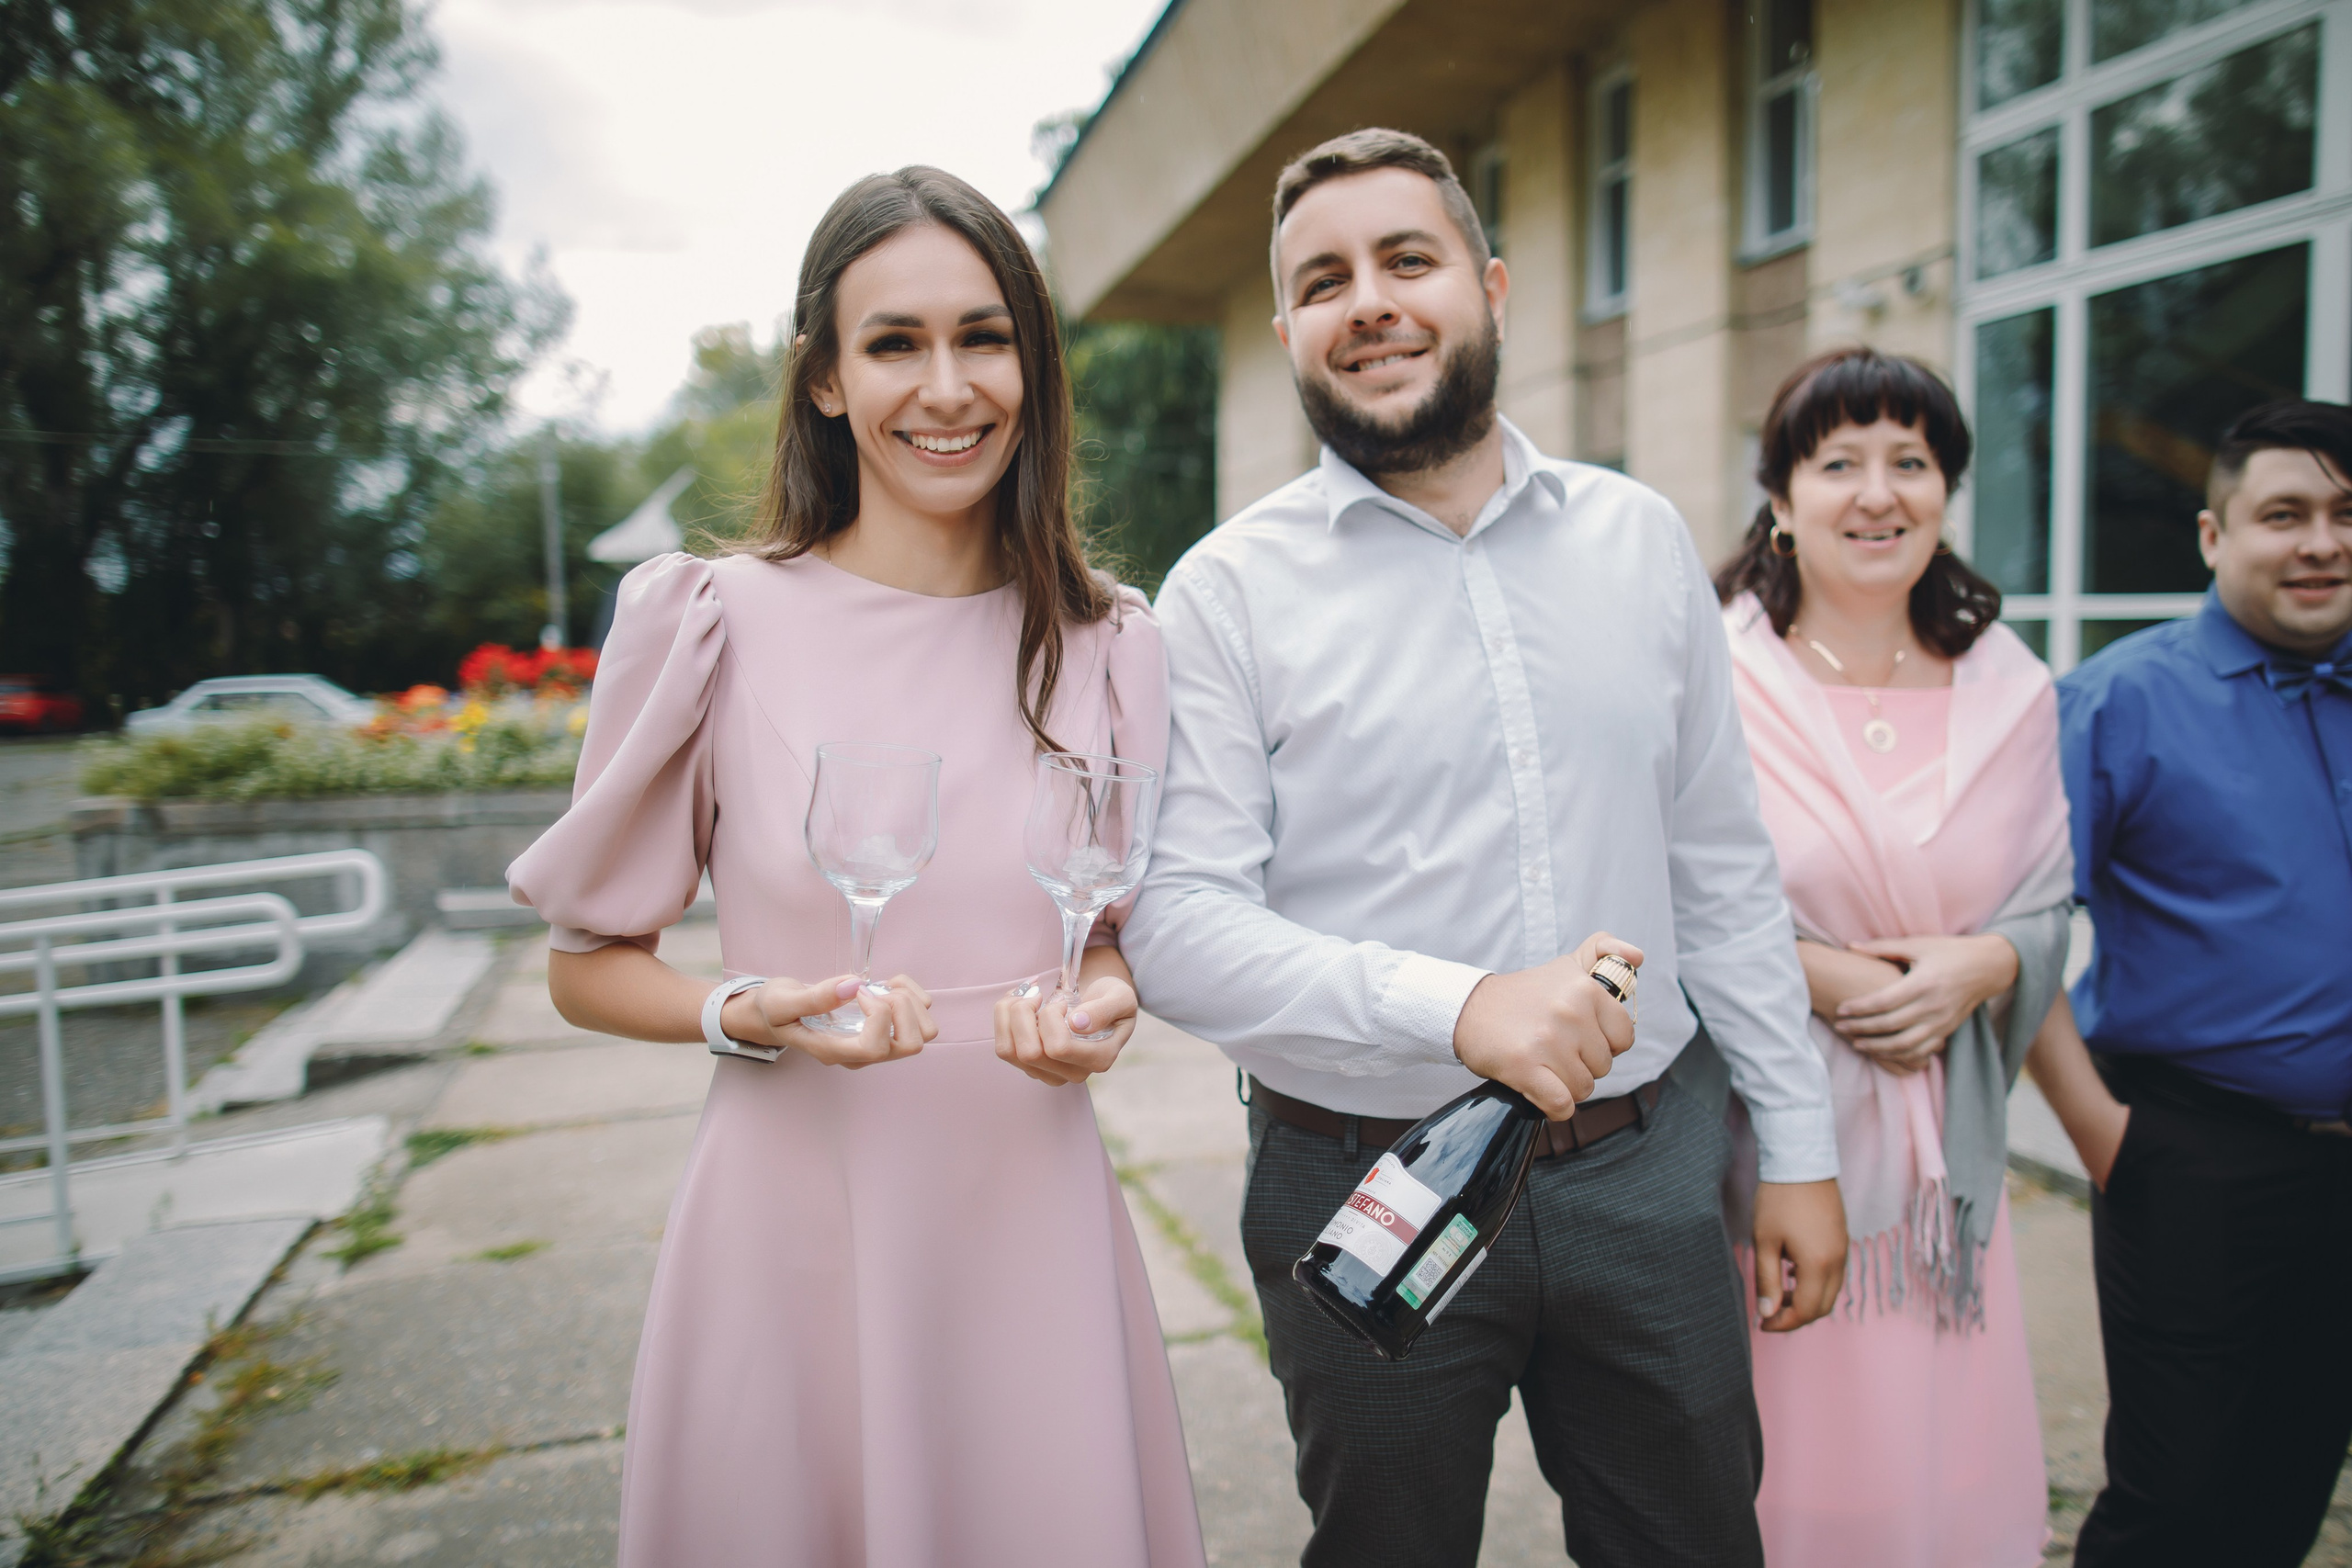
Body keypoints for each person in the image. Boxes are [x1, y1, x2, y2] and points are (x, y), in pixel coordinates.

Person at [1121, 128, 1848, 1568]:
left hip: (1646, 1168)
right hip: (1358, 1173)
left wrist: (1802, 1145)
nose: (1369, 300)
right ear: (1286, 335)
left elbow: (1719, 862)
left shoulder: (1639, 541)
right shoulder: (1223, 594)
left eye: (1408, 258)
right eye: (1323, 280)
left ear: (1493, 285)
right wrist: (1458, 1004)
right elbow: (1178, 923)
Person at [506, 167, 1206, 1568]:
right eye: (895, 342)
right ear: (825, 378)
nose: (947, 386)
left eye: (985, 335)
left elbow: (1111, 930)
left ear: (1034, 365)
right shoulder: (710, 620)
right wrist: (739, 1009)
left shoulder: (1112, 638)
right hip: (790, 1224)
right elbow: (586, 969)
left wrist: (1105, 1001)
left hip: (1030, 1221)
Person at [1713, 347, 2073, 1566]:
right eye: (1840, 461)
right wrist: (1835, 978)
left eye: (1910, 462)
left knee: (1944, 1468)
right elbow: (1665, 890)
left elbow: (2046, 903)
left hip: (1946, 1185)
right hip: (1771, 1154)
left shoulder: (2010, 686)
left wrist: (1984, 966)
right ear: (1780, 495)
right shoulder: (1720, 676)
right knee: (1799, 1469)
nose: (1879, 491)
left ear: (1946, 491)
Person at [2035, 399, 2352, 1568]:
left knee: (2293, 1480)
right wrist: (2099, 1133)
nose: (2319, 541)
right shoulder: (2120, 701)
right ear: (2216, 538)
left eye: (2344, 513)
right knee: (2175, 1503)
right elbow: (2012, 926)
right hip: (2195, 1158)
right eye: (2284, 514)